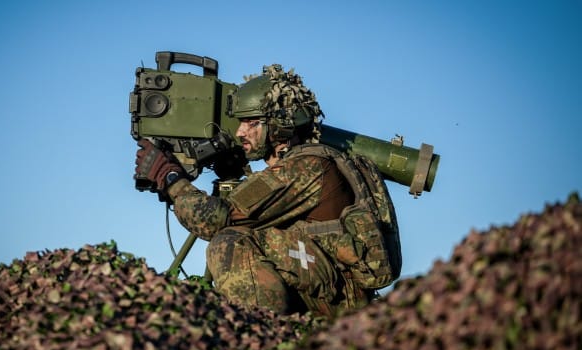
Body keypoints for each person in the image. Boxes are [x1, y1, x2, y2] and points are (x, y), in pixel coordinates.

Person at [135, 64, 400, 317]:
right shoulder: (302, 164)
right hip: (326, 289)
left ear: (280, 126)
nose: (240, 132)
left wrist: (169, 177)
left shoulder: (306, 167)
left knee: (229, 242)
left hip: (338, 301)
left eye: (251, 123)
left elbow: (213, 220)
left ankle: (262, 336)